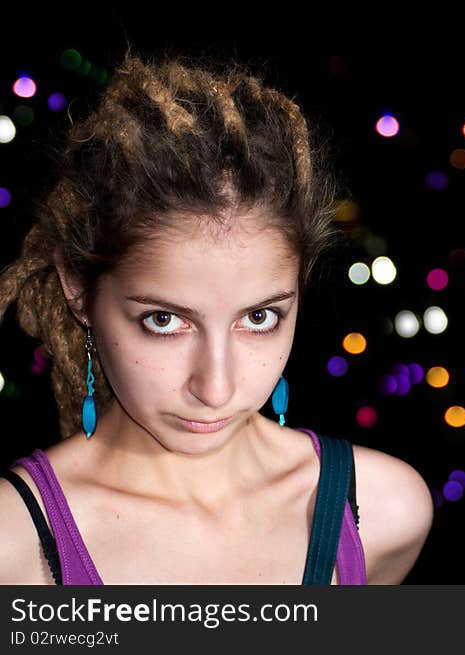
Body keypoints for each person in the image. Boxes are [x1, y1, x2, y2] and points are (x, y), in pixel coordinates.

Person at [0, 48, 434, 584]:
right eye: (164, 321)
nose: (217, 387)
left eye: (259, 318)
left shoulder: (384, 513)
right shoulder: (13, 546)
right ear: (77, 288)